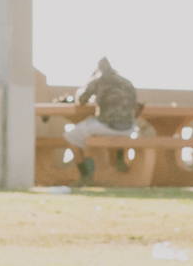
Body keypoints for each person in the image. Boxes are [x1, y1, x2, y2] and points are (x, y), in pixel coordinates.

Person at [61, 56, 145, 185]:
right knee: (94, 132)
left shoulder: (98, 79)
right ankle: (119, 156)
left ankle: (85, 175)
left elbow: (81, 100)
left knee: (71, 137)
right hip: (129, 128)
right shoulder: (127, 82)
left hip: (106, 126)